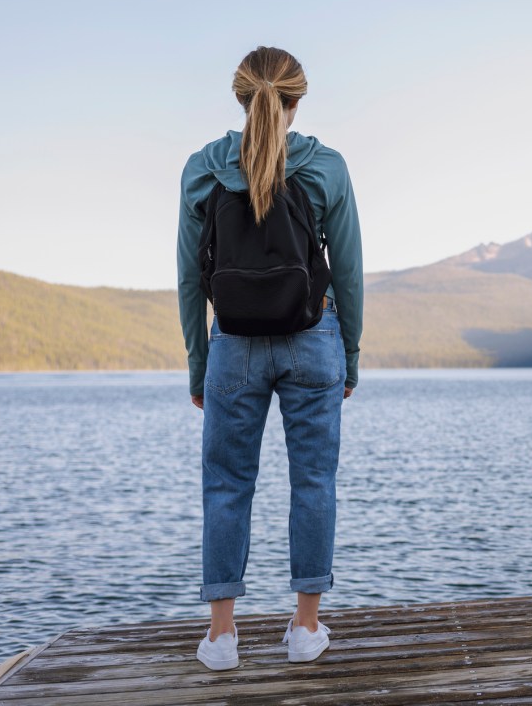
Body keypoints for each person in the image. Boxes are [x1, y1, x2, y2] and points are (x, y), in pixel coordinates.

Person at [176, 46, 363, 670]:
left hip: (233, 343)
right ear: (297, 101)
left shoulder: (203, 168)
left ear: (240, 97)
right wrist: (352, 356)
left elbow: (188, 277)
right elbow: (351, 274)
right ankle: (305, 630)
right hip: (315, 338)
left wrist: (200, 364)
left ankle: (222, 638)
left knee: (227, 485)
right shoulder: (326, 167)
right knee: (314, 482)